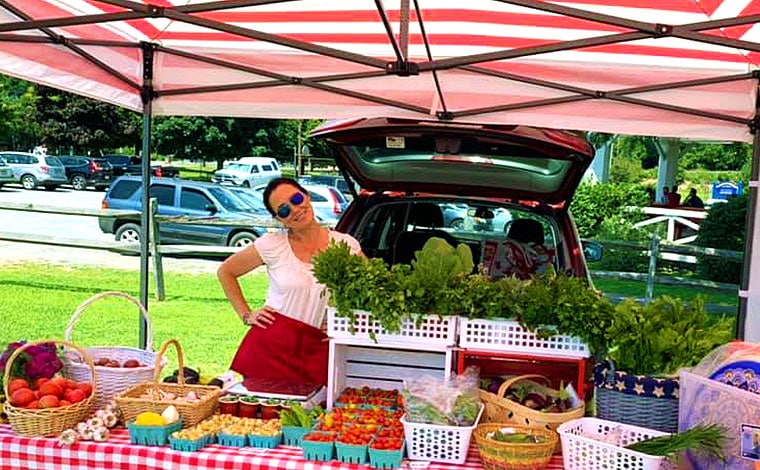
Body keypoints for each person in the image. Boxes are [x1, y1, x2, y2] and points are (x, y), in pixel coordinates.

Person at [217, 177, 362, 393]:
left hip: (317, 348)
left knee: (314, 416)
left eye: (296, 198)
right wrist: (247, 314)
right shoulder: (271, 244)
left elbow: (369, 288)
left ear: (307, 196)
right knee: (263, 420)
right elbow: (226, 272)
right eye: (283, 210)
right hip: (271, 347)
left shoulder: (345, 245)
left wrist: (341, 320)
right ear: (279, 219)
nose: (295, 210)